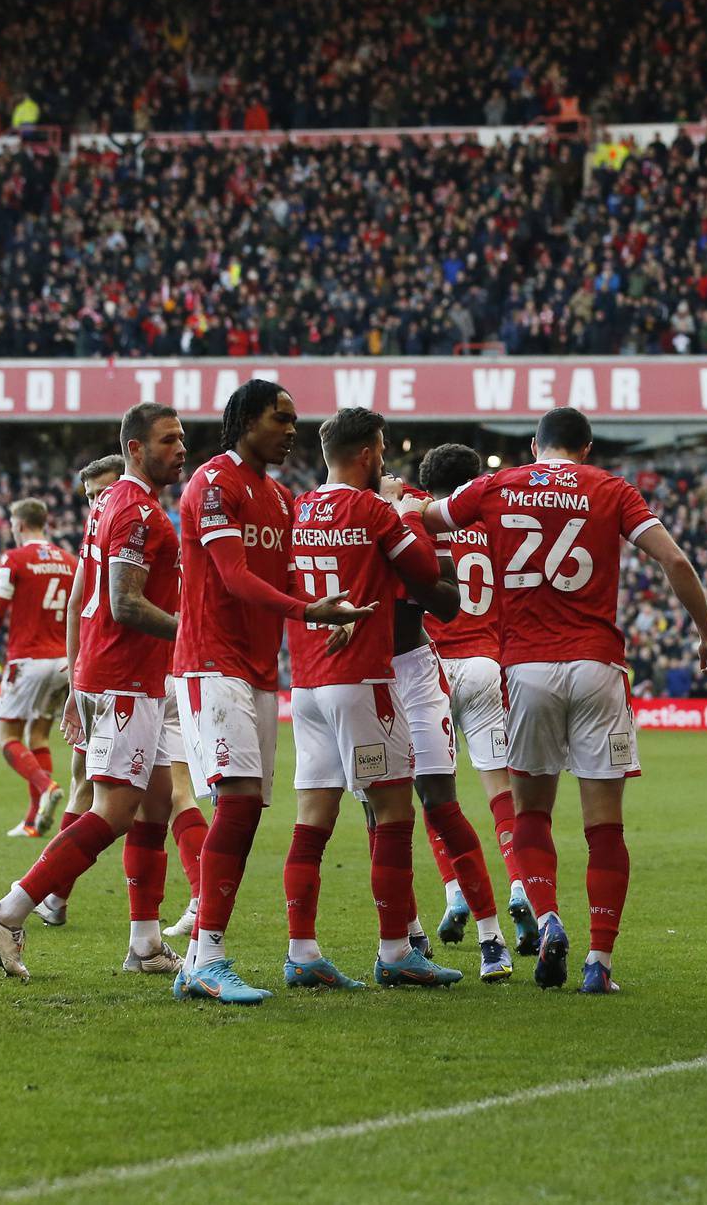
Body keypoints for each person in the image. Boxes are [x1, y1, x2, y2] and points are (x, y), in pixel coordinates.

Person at [417, 406, 707, 993]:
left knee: (531, 813)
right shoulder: (612, 489)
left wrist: (393, 500)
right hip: (597, 667)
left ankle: (549, 917)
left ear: (536, 446)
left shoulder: (498, 483)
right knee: (604, 827)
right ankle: (600, 963)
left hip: (526, 669)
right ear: (585, 449)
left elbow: (427, 519)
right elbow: (675, 560)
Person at [0, 403, 192, 981]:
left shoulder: (107, 505)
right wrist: (197, 630)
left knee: (157, 802)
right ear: (136, 449)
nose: (181, 448)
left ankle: (144, 943)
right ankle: (9, 911)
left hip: (111, 673)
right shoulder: (139, 512)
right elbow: (123, 603)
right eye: (169, 440)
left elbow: (81, 600)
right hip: (125, 678)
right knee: (114, 812)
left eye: (182, 437)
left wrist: (76, 680)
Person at [168, 381, 370, 1004]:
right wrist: (313, 614)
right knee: (235, 802)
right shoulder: (212, 484)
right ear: (245, 421)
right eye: (281, 418)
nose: (291, 430)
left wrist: (331, 611)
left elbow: (283, 580)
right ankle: (206, 955)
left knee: (249, 806)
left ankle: (258, 957)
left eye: (294, 418)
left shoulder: (281, 499)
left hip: (256, 671)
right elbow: (233, 577)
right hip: (210, 662)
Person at [282, 408, 462, 990]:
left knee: (312, 820)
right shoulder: (372, 509)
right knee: (392, 812)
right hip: (363, 677)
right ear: (368, 453)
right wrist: (400, 513)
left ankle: (302, 951)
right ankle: (394, 951)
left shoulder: (297, 509)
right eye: (381, 449)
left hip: (307, 683)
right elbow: (426, 571)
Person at [386, 469, 512, 978]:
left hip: (420, 670)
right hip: (386, 675)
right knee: (391, 812)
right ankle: (406, 938)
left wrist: (404, 516)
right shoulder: (374, 512)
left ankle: (487, 933)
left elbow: (441, 592)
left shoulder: (406, 513)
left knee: (436, 802)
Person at [417, 442, 540, 955]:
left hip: (433, 668)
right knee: (501, 791)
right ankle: (520, 887)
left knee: (433, 791)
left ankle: (453, 892)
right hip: (487, 665)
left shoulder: (420, 522)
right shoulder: (495, 528)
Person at [0, 497, 72, 838]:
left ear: (19, 525)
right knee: (39, 736)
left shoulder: (14, 559)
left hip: (29, 659)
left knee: (7, 738)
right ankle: (33, 820)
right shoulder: (71, 562)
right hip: (64, 662)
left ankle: (46, 787)